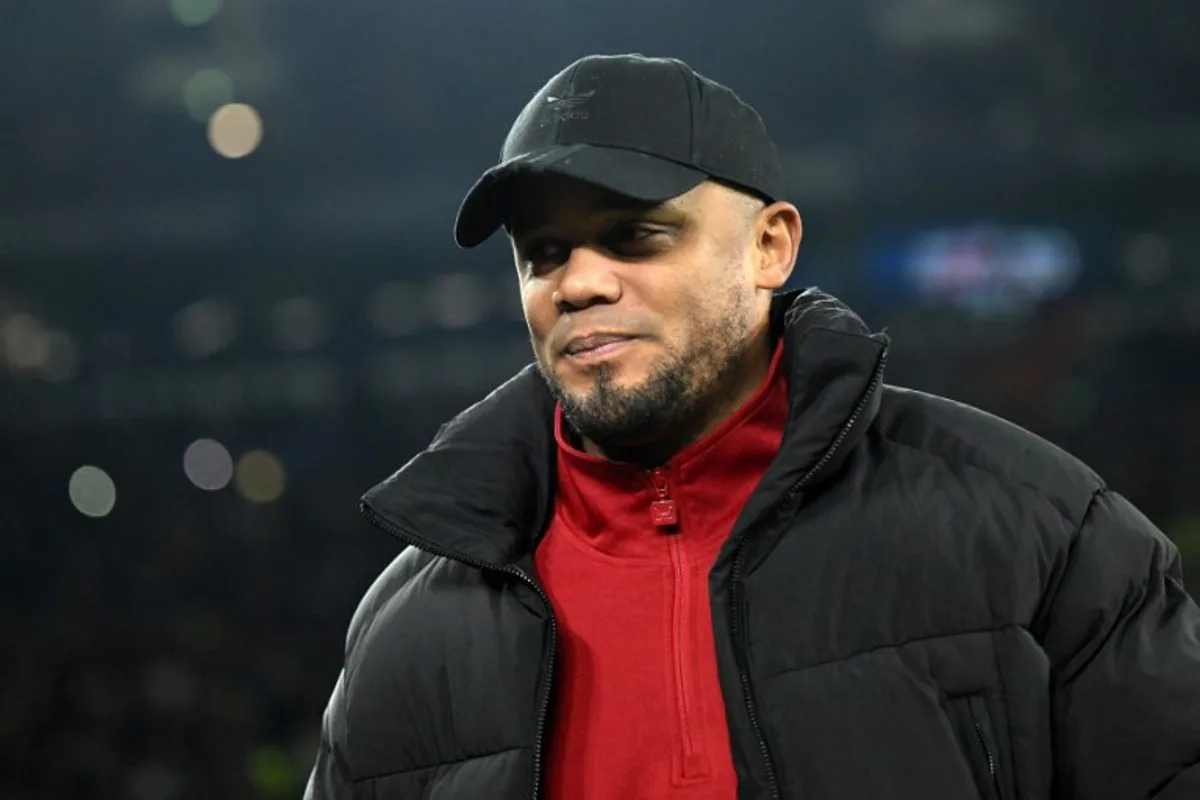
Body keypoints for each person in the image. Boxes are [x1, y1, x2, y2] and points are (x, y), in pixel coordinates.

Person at [305, 54, 1200, 800]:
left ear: (770, 246)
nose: (576, 283)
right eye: (543, 254)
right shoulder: (407, 629)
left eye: (634, 236)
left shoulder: (1043, 533)